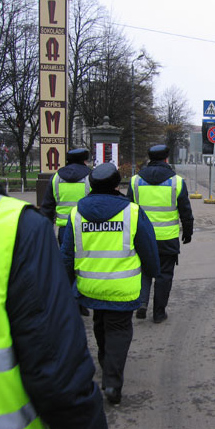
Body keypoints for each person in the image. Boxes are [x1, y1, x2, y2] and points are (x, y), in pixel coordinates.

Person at [0, 84, 108, 429]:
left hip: (65, 230)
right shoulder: (8, 227)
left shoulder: (59, 178)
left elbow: (49, 206)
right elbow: (55, 365)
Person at [61, 162, 160, 405]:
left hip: (89, 286)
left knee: (100, 323)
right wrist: (153, 271)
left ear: (91, 185)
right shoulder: (133, 212)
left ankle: (106, 363)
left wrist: (66, 284)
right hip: (122, 288)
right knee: (118, 330)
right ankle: (113, 382)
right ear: (117, 185)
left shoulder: (76, 214)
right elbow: (148, 249)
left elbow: (67, 255)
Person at [127, 144, 194, 323]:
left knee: (143, 271)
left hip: (141, 237)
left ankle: (142, 303)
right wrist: (188, 232)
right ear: (166, 159)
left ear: (150, 159)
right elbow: (185, 211)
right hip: (167, 238)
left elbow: (127, 209)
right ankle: (158, 313)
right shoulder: (177, 181)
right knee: (164, 275)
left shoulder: (135, 181)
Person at [40, 147, 91, 245]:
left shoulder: (56, 178)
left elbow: (47, 208)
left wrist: (46, 234)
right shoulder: (91, 176)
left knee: (66, 258)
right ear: (84, 160)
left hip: (64, 229)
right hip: (86, 227)